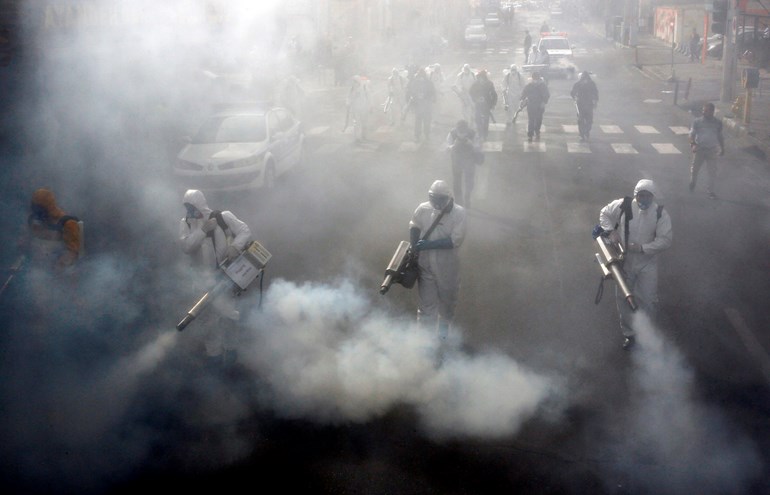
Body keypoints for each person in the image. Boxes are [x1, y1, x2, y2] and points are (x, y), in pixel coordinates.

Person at [179, 189, 252, 369]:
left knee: (228, 315)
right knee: (208, 321)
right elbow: (187, 247)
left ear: (199, 204)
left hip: (224, 277)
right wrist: (203, 231)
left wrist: (235, 247)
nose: (189, 212)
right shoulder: (186, 224)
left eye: (192, 207)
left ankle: (232, 353)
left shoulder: (222, 217)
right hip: (201, 282)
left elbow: (244, 231)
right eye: (187, 208)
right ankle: (215, 358)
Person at [598, 179, 673, 350]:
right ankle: (629, 334)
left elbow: (666, 240)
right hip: (624, 262)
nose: (644, 199)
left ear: (653, 197)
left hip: (647, 263)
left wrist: (642, 248)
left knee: (648, 299)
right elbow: (604, 214)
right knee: (623, 298)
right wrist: (611, 231)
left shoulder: (660, 213)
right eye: (641, 195)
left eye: (648, 196)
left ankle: (648, 333)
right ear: (635, 195)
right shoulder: (623, 206)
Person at [409, 180, 467, 342]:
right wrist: (414, 245)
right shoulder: (423, 208)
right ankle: (425, 340)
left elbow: (455, 240)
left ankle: (442, 336)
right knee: (427, 305)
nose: (437, 203)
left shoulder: (459, 213)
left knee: (448, 302)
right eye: (433, 198)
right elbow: (414, 224)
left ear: (448, 198)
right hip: (425, 264)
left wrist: (429, 244)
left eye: (440, 199)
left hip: (447, 266)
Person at [22, 188, 82, 271]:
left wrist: (59, 266)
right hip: (36, 268)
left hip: (61, 271)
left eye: (40, 208)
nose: (37, 212)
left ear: (48, 206)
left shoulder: (68, 223)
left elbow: (73, 252)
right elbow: (26, 242)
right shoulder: (34, 220)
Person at [689, 102, 724, 199]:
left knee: (712, 172)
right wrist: (693, 144)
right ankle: (693, 182)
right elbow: (691, 135)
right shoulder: (697, 122)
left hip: (712, 150)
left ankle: (710, 191)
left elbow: (720, 136)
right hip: (700, 149)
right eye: (703, 110)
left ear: (712, 112)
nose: (704, 113)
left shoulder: (718, 123)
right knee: (695, 169)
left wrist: (722, 148)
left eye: (706, 111)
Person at [446, 119, 482, 208]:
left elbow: (477, 147)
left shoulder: (472, 134)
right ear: (457, 128)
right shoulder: (452, 133)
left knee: (469, 181)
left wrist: (471, 145)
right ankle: (458, 200)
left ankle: (467, 197)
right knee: (457, 181)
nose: (461, 132)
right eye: (460, 130)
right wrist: (454, 146)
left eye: (463, 130)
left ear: (467, 129)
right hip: (456, 160)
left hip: (469, 160)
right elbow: (447, 147)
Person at [405, 67, 436, 143]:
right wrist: (416, 96)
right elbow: (411, 92)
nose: (421, 77)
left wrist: (425, 96)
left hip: (426, 104)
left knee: (427, 121)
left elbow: (432, 92)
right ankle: (417, 135)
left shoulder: (428, 82)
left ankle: (427, 134)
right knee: (418, 121)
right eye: (420, 75)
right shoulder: (415, 82)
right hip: (418, 104)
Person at [520, 71, 550, 142]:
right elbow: (524, 93)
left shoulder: (540, 85)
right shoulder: (538, 85)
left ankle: (534, 132)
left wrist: (544, 102)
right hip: (534, 105)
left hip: (537, 105)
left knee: (535, 120)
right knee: (534, 119)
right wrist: (522, 99)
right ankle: (533, 133)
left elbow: (547, 95)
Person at [468, 69, 497, 141]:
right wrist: (476, 99)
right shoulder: (475, 84)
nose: (481, 79)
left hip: (487, 105)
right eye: (480, 78)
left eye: (482, 78)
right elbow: (471, 92)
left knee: (486, 121)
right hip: (478, 105)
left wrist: (493, 104)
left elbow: (494, 95)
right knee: (477, 120)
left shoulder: (490, 84)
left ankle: (485, 135)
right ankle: (480, 134)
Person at [570, 71, 599, 141]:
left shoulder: (591, 84)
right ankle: (582, 133)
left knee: (589, 120)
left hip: (588, 104)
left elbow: (595, 93)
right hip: (580, 104)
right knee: (581, 120)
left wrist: (595, 100)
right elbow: (572, 92)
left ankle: (586, 131)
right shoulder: (578, 84)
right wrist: (574, 97)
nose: (585, 80)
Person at [346, 75, 371, 143]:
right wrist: (348, 105)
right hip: (355, 109)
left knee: (364, 123)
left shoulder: (364, 88)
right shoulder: (351, 89)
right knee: (356, 123)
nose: (354, 83)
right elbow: (348, 98)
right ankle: (357, 137)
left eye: (355, 82)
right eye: (353, 82)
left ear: (358, 82)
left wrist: (370, 107)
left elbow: (369, 98)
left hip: (364, 108)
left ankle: (364, 135)